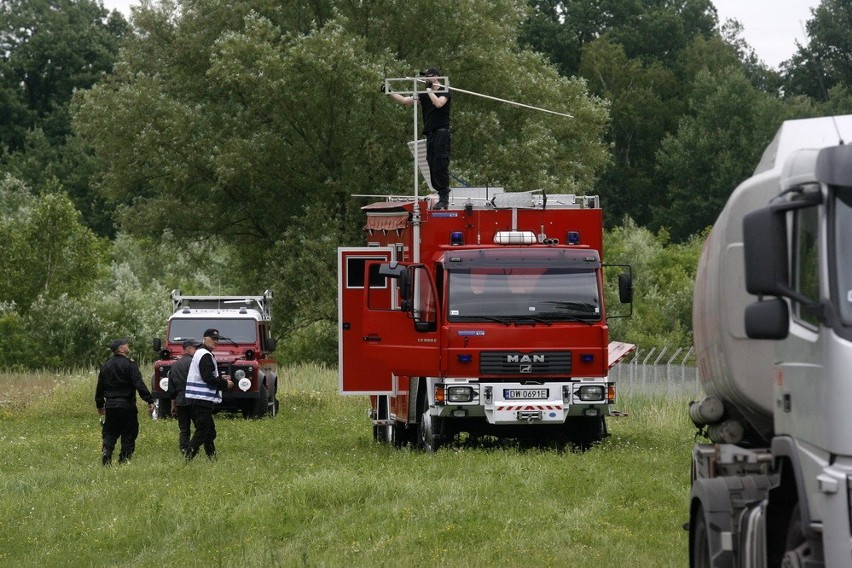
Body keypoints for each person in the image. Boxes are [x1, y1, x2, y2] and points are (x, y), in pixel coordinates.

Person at [386, 67, 452, 209]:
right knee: (431, 163)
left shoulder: (445, 90)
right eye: (426, 76)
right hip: (431, 134)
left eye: (429, 76)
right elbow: (404, 100)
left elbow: (439, 103)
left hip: (442, 132)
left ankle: (444, 197)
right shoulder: (424, 94)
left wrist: (429, 91)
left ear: (436, 77)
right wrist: (389, 92)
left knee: (440, 162)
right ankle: (440, 193)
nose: (427, 78)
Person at [95, 338, 155, 465]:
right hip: (127, 405)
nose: (128, 346)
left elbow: (100, 387)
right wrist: (149, 400)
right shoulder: (130, 365)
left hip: (111, 405)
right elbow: (139, 384)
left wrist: (100, 405)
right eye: (126, 344)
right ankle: (123, 460)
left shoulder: (105, 365)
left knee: (110, 432)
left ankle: (107, 452)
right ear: (121, 349)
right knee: (129, 433)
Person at [184, 328, 233, 460]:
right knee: (203, 430)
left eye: (217, 339)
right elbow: (207, 378)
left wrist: (221, 378)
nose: (216, 342)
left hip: (197, 398)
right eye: (213, 339)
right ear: (205, 339)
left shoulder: (201, 353)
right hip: (200, 398)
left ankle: (212, 457)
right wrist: (224, 384)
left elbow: (206, 376)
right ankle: (188, 457)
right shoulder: (205, 355)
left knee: (209, 431)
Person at [166, 338, 197, 456]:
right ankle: (193, 448)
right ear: (188, 349)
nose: (197, 350)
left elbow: (171, 389)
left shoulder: (175, 366)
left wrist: (173, 404)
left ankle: (184, 449)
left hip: (180, 400)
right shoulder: (194, 363)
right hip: (194, 399)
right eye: (195, 348)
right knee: (199, 427)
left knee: (184, 428)